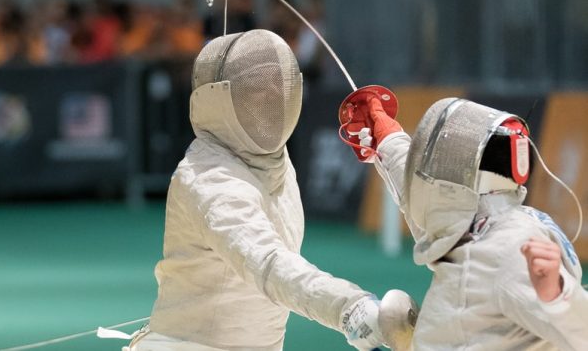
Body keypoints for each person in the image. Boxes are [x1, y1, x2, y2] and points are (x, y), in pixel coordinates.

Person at [131, 30, 411, 351]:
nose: (273, 97)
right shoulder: (208, 178)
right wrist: (347, 307)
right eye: (257, 90)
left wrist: (390, 146)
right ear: (219, 100)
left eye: (281, 86)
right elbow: (267, 263)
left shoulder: (275, 163)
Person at [350, 94, 588, 350]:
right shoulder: (473, 222)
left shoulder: (509, 249)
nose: (435, 168)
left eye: (447, 160)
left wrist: (559, 296)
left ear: (471, 173)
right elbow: (424, 200)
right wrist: (386, 137)